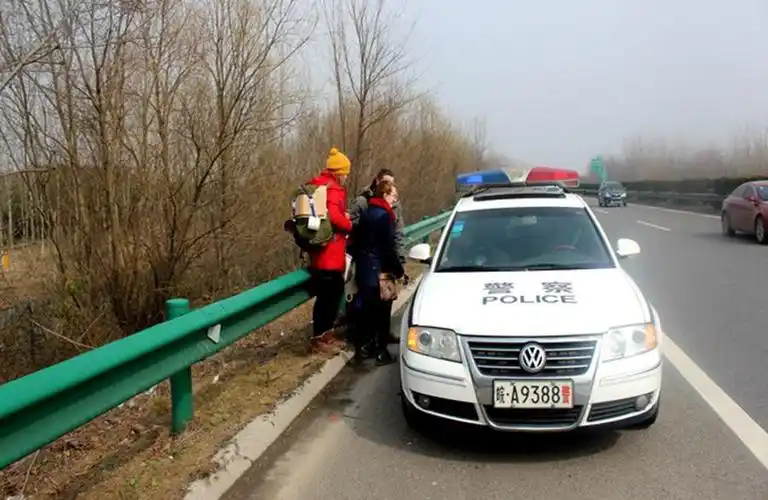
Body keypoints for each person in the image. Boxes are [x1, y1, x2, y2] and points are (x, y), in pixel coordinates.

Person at [347, 169, 408, 355]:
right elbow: (387, 247)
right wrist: (398, 270)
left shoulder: (369, 211)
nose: (395, 201)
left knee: (367, 307)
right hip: (377, 269)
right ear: (385, 194)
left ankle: (364, 345)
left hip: (366, 266)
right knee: (380, 308)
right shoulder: (384, 216)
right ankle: (377, 349)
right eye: (393, 196)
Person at [306, 147, 353, 352]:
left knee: (328, 295)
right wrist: (348, 223)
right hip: (330, 254)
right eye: (345, 173)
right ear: (338, 172)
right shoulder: (333, 189)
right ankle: (320, 338)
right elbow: (334, 217)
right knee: (329, 295)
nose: (346, 177)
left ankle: (325, 334)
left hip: (320, 251)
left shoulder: (318, 185)